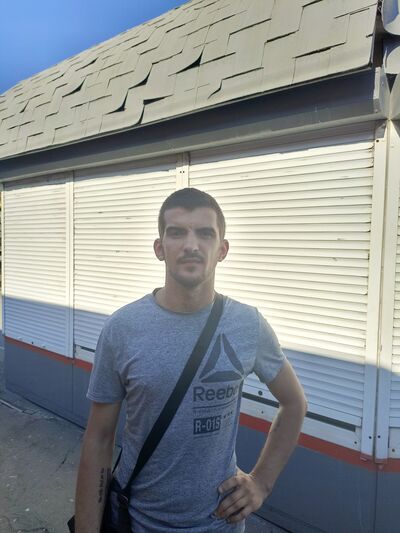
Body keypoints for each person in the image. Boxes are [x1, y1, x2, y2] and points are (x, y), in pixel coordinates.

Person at [74, 187, 307, 532]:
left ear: (222, 249)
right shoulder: (122, 329)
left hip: (221, 524)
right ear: (159, 248)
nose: (191, 245)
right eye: (177, 232)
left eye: (205, 233)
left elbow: (294, 403)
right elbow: (99, 439)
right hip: (137, 522)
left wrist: (261, 482)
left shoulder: (248, 325)